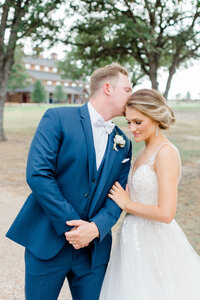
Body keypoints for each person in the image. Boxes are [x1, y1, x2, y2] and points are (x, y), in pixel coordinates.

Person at [6, 63, 133, 300]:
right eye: (127, 89)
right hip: (47, 242)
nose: (131, 95)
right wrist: (74, 228)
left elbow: (119, 194)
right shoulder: (57, 118)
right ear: (107, 88)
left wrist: (94, 228)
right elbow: (38, 174)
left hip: (94, 252)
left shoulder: (123, 142)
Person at [99, 89, 200, 300]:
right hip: (131, 237)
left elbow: (166, 213)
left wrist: (127, 204)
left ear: (154, 118)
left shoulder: (165, 153)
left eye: (138, 122)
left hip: (153, 240)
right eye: (129, 122)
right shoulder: (144, 151)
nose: (131, 129)